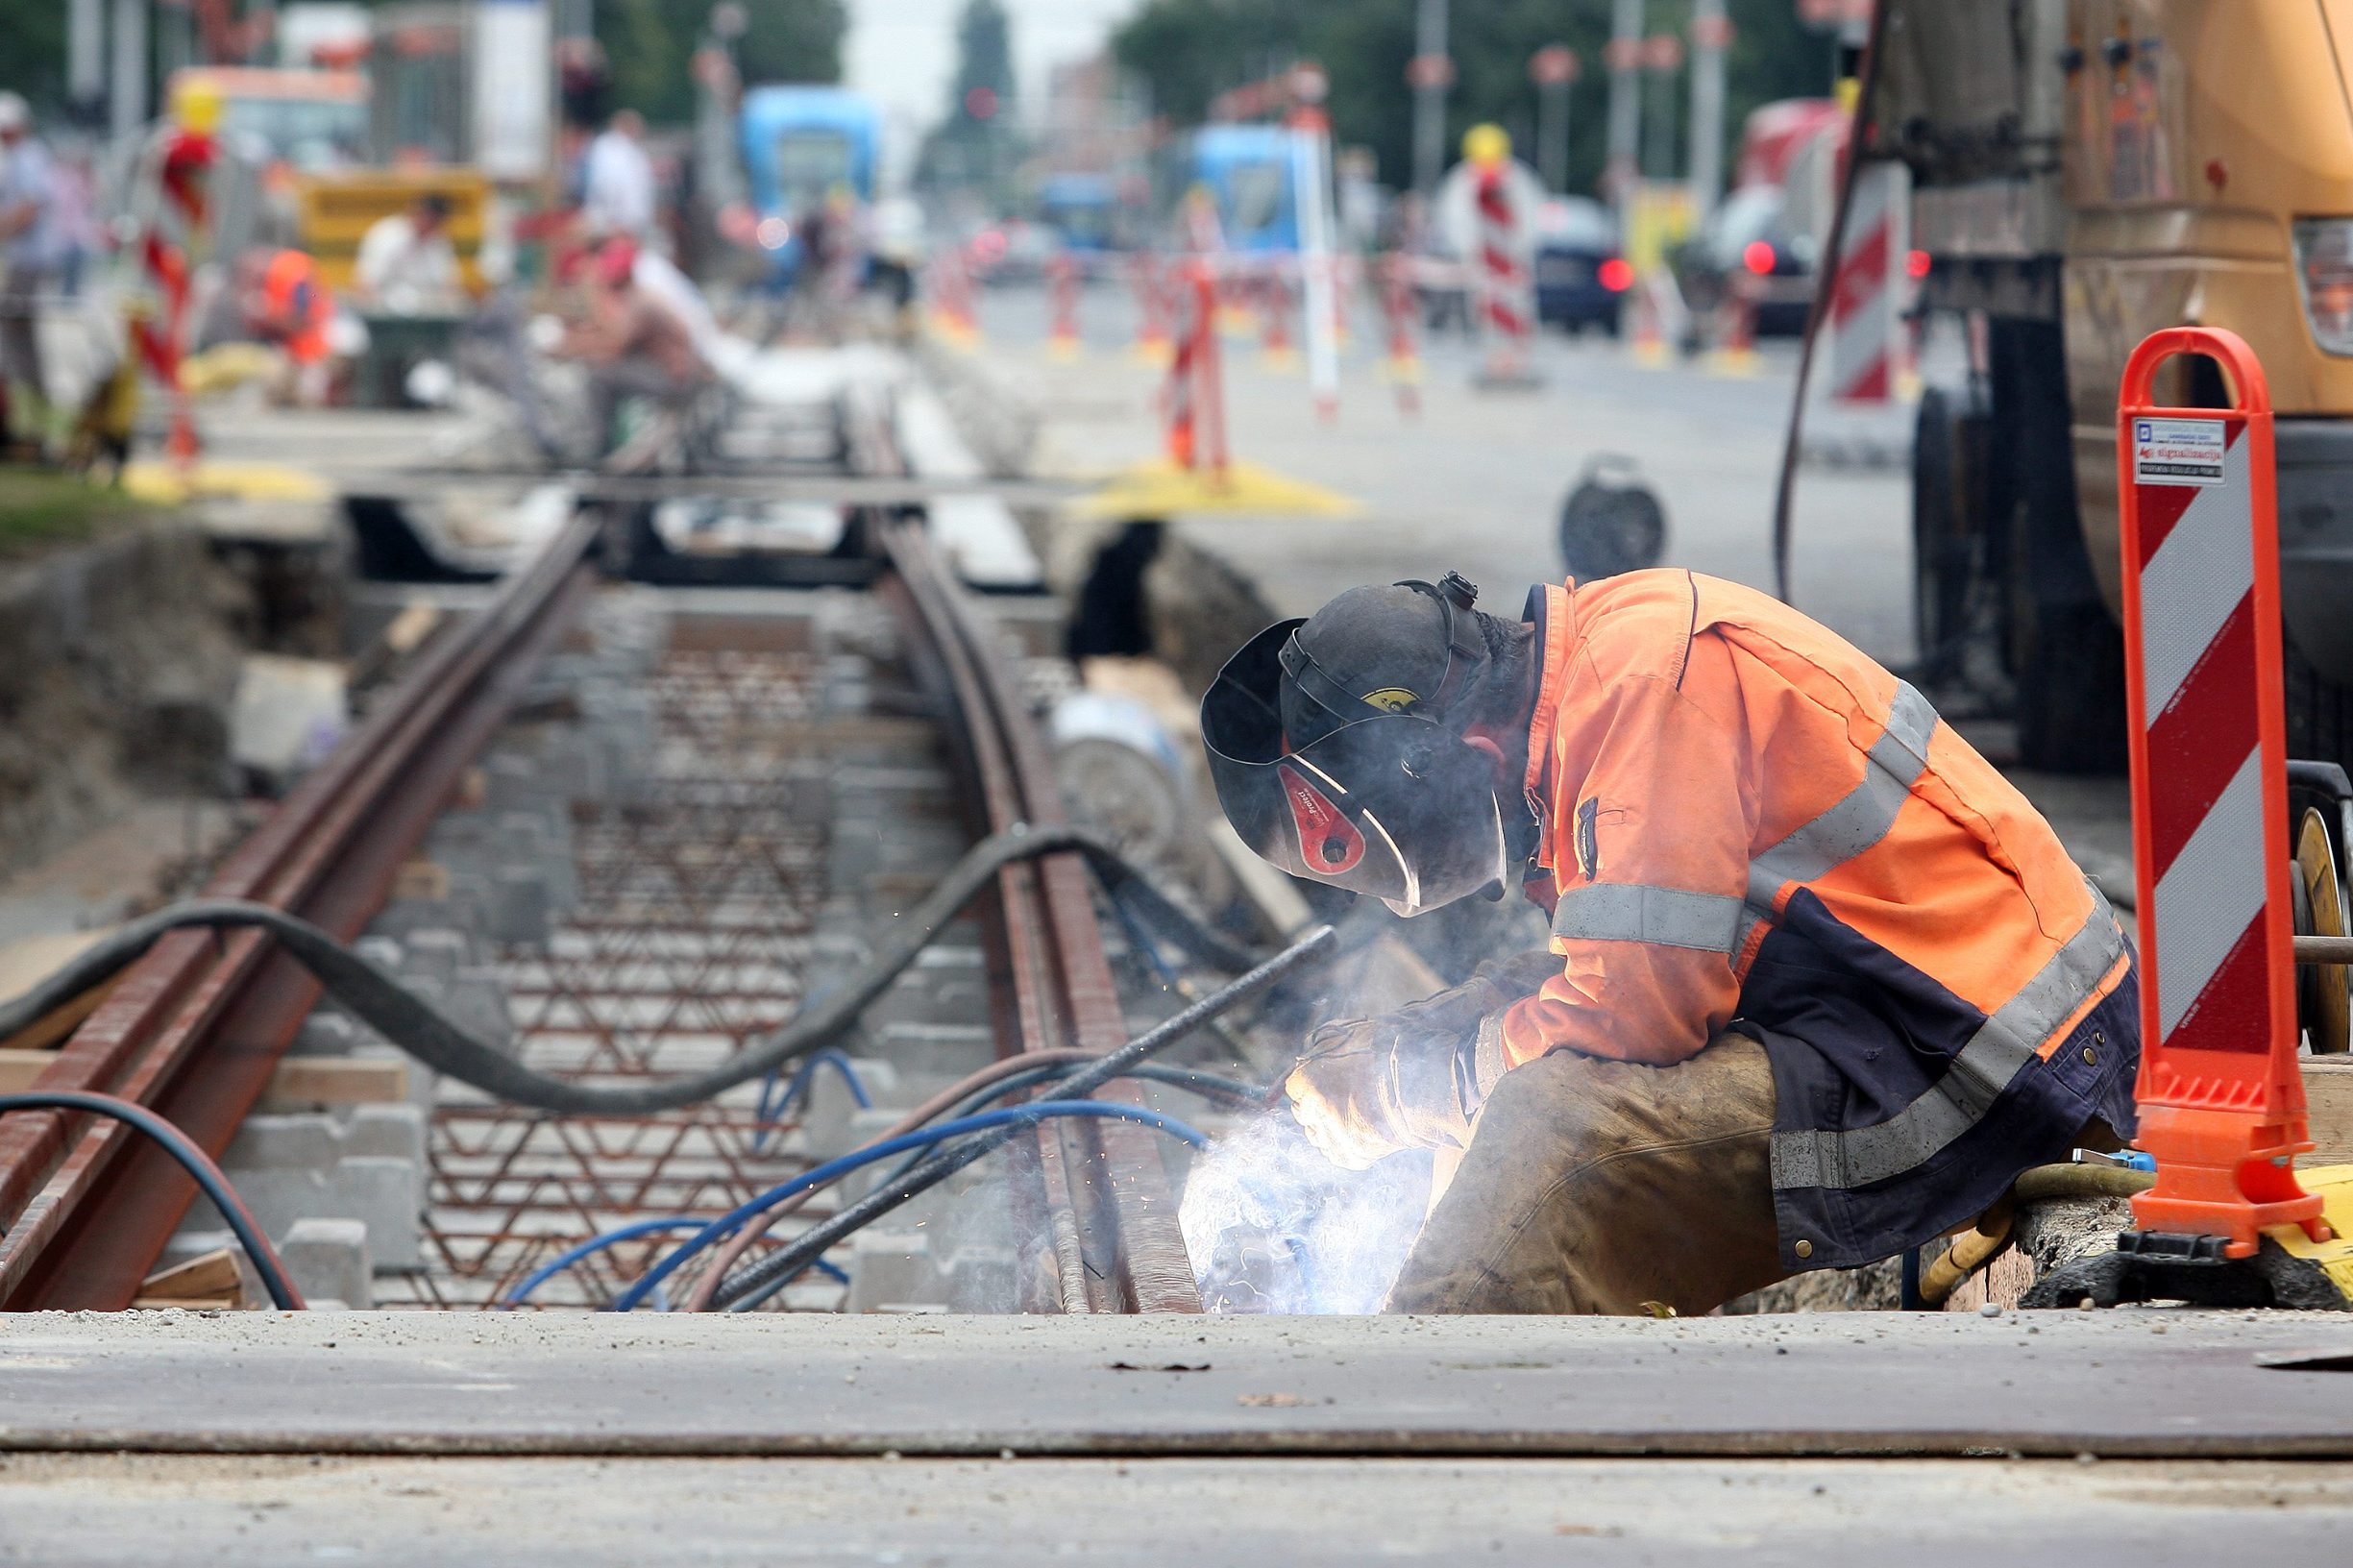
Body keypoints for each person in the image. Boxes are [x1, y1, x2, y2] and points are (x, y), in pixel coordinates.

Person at [1201, 568, 2140, 1315]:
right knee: (1503, 1022)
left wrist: (1405, 1093)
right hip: (1895, 1011)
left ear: (1464, 758)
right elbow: (1615, 971)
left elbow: (1636, 1013)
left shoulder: (1637, 691)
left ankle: (1418, 1408)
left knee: (1550, 1123)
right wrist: (1430, 1044)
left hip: (1983, 1058)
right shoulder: (1592, 668)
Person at [555, 235, 710, 455]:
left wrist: (571, 346)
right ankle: (612, 443)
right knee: (606, 370)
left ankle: (600, 448)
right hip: (678, 372)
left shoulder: (639, 302)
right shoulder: (639, 296)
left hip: (676, 378)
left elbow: (615, 344)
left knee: (600, 378)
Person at [0, 92, 60, 447]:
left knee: (16, 331)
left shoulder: (28, 157)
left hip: (27, 261)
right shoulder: (18, 158)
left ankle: (30, 411)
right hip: (21, 260)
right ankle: (24, 410)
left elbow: (29, 208)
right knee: (15, 334)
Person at [354, 193, 462, 310]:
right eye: (429, 218)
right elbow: (366, 284)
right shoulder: (386, 234)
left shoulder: (439, 240)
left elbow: (450, 285)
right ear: (416, 213)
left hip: (427, 309)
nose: (431, 225)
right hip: (383, 307)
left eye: (437, 222)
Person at [580, 109, 656, 241]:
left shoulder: (631, 151)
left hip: (623, 219)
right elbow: (608, 183)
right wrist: (616, 218)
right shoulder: (609, 149)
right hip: (615, 219)